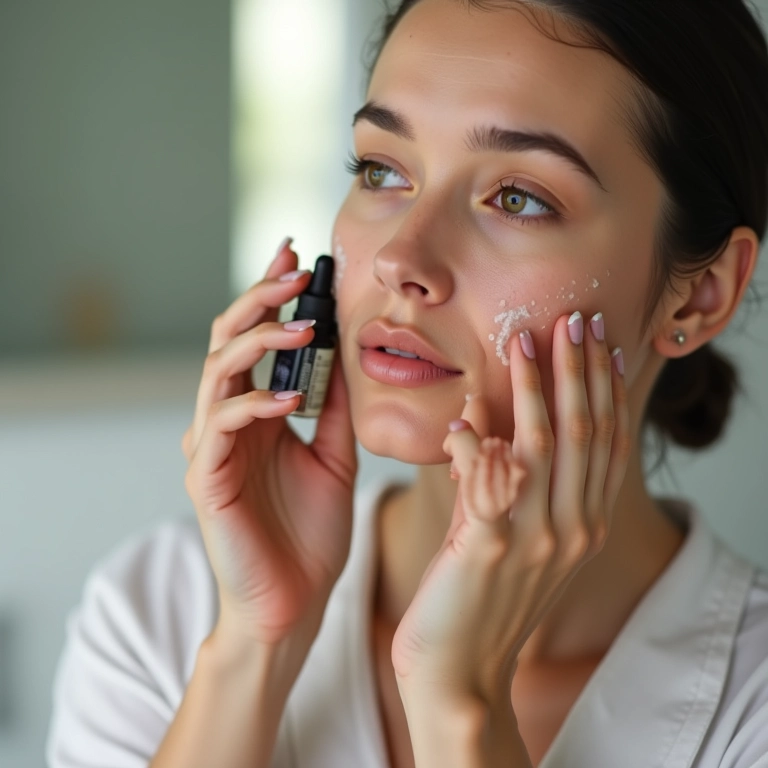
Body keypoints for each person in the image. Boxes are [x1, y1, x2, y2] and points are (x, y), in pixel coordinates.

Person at [46, 1, 768, 766]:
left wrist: (462, 704)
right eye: (382, 171)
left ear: (701, 293)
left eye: (518, 197)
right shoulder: (161, 614)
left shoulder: (749, 708)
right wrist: (256, 650)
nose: (401, 258)